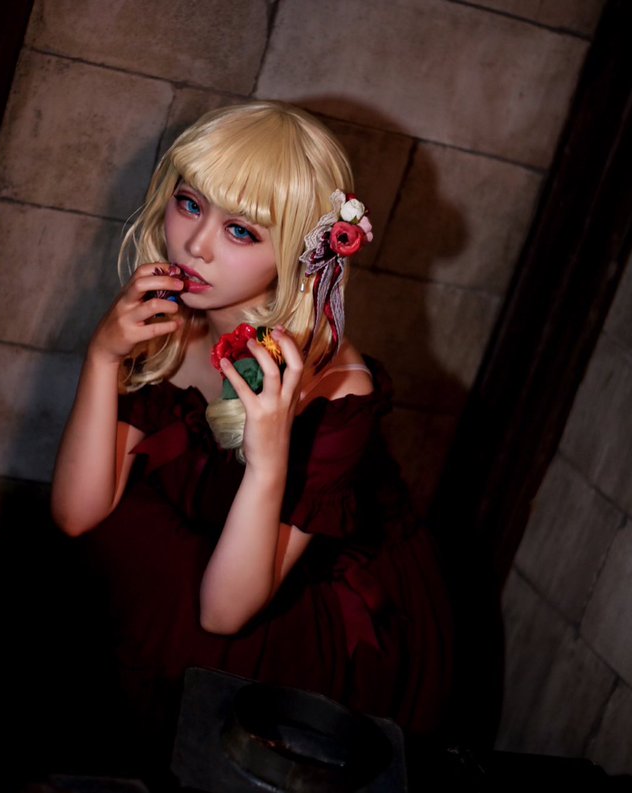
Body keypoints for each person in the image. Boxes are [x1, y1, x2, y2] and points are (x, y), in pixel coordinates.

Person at [50, 100, 455, 759]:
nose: (195, 244)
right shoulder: (172, 312)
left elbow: (223, 613)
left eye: (240, 231)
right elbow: (77, 514)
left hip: (321, 611)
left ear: (298, 250)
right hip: (217, 547)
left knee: (183, 637)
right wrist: (101, 359)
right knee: (114, 538)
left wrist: (268, 461)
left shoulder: (336, 385)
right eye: (189, 203)